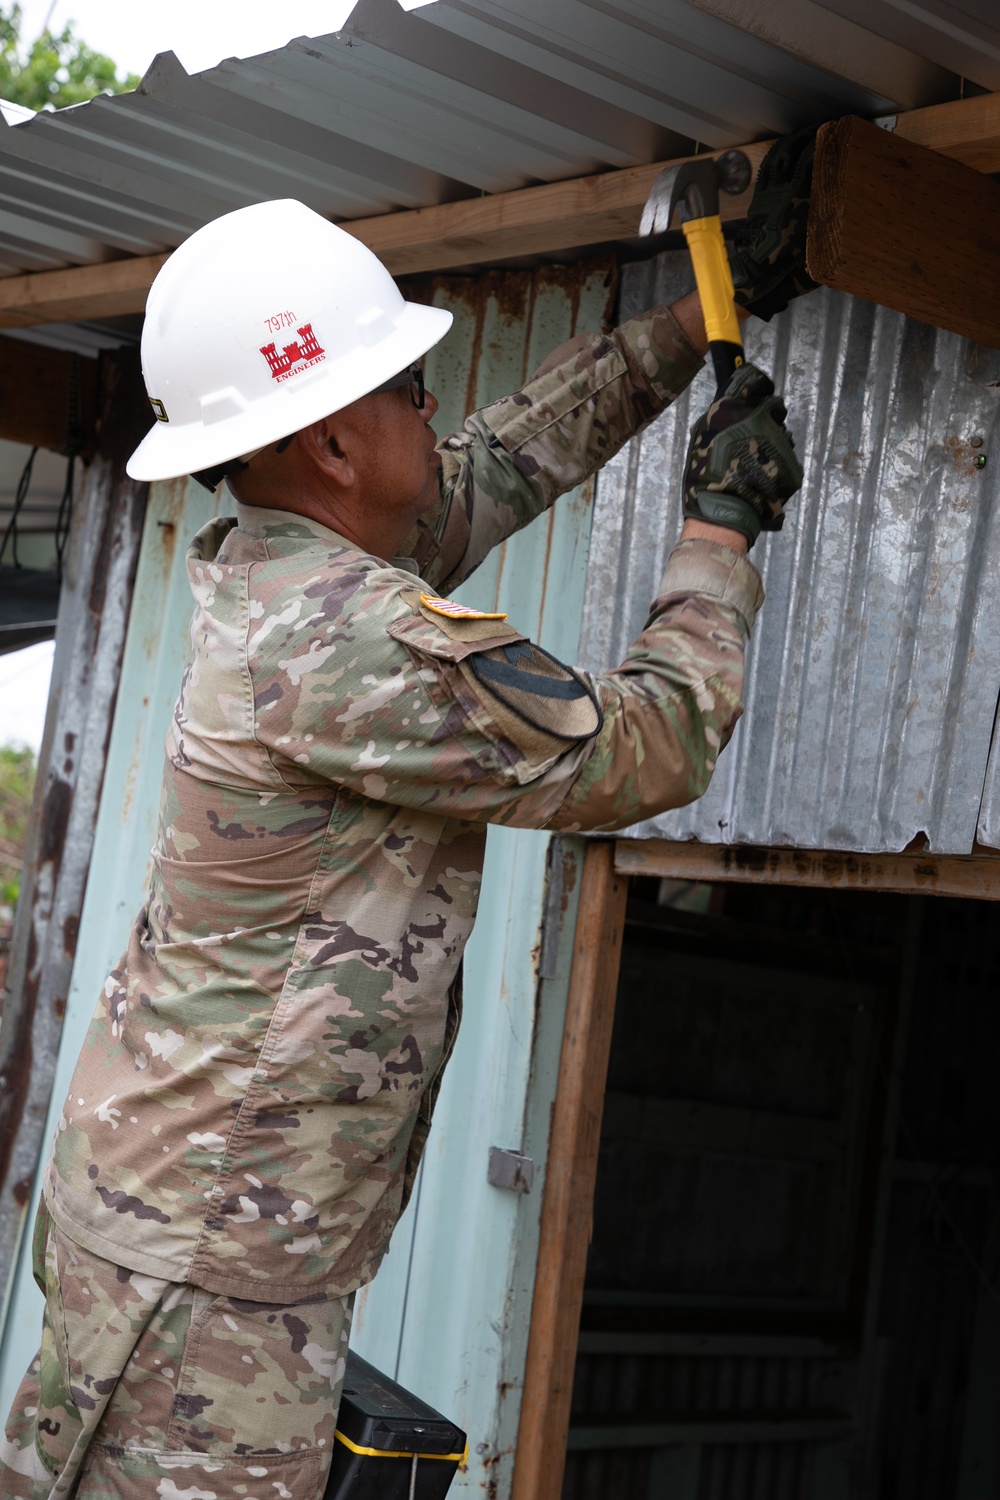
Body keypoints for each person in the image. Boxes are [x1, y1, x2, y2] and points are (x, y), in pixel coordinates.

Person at [0, 133, 814, 1500]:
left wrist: (692, 325)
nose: (437, 417)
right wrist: (721, 533)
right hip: (208, 1262)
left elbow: (492, 469)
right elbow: (646, 745)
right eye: (411, 391)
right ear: (329, 442)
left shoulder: (288, 561)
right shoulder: (342, 640)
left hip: (179, 1214)